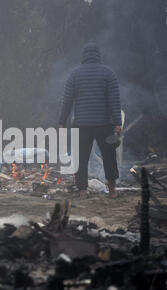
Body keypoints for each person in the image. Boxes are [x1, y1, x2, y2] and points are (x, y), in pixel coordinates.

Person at [59, 43, 122, 199]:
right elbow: (115, 101)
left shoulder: (75, 74)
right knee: (109, 155)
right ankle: (112, 190)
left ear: (84, 56)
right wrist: (117, 122)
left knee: (80, 157)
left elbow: (67, 100)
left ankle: (82, 191)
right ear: (98, 56)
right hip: (104, 124)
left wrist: (62, 121)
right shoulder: (109, 73)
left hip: (81, 124)